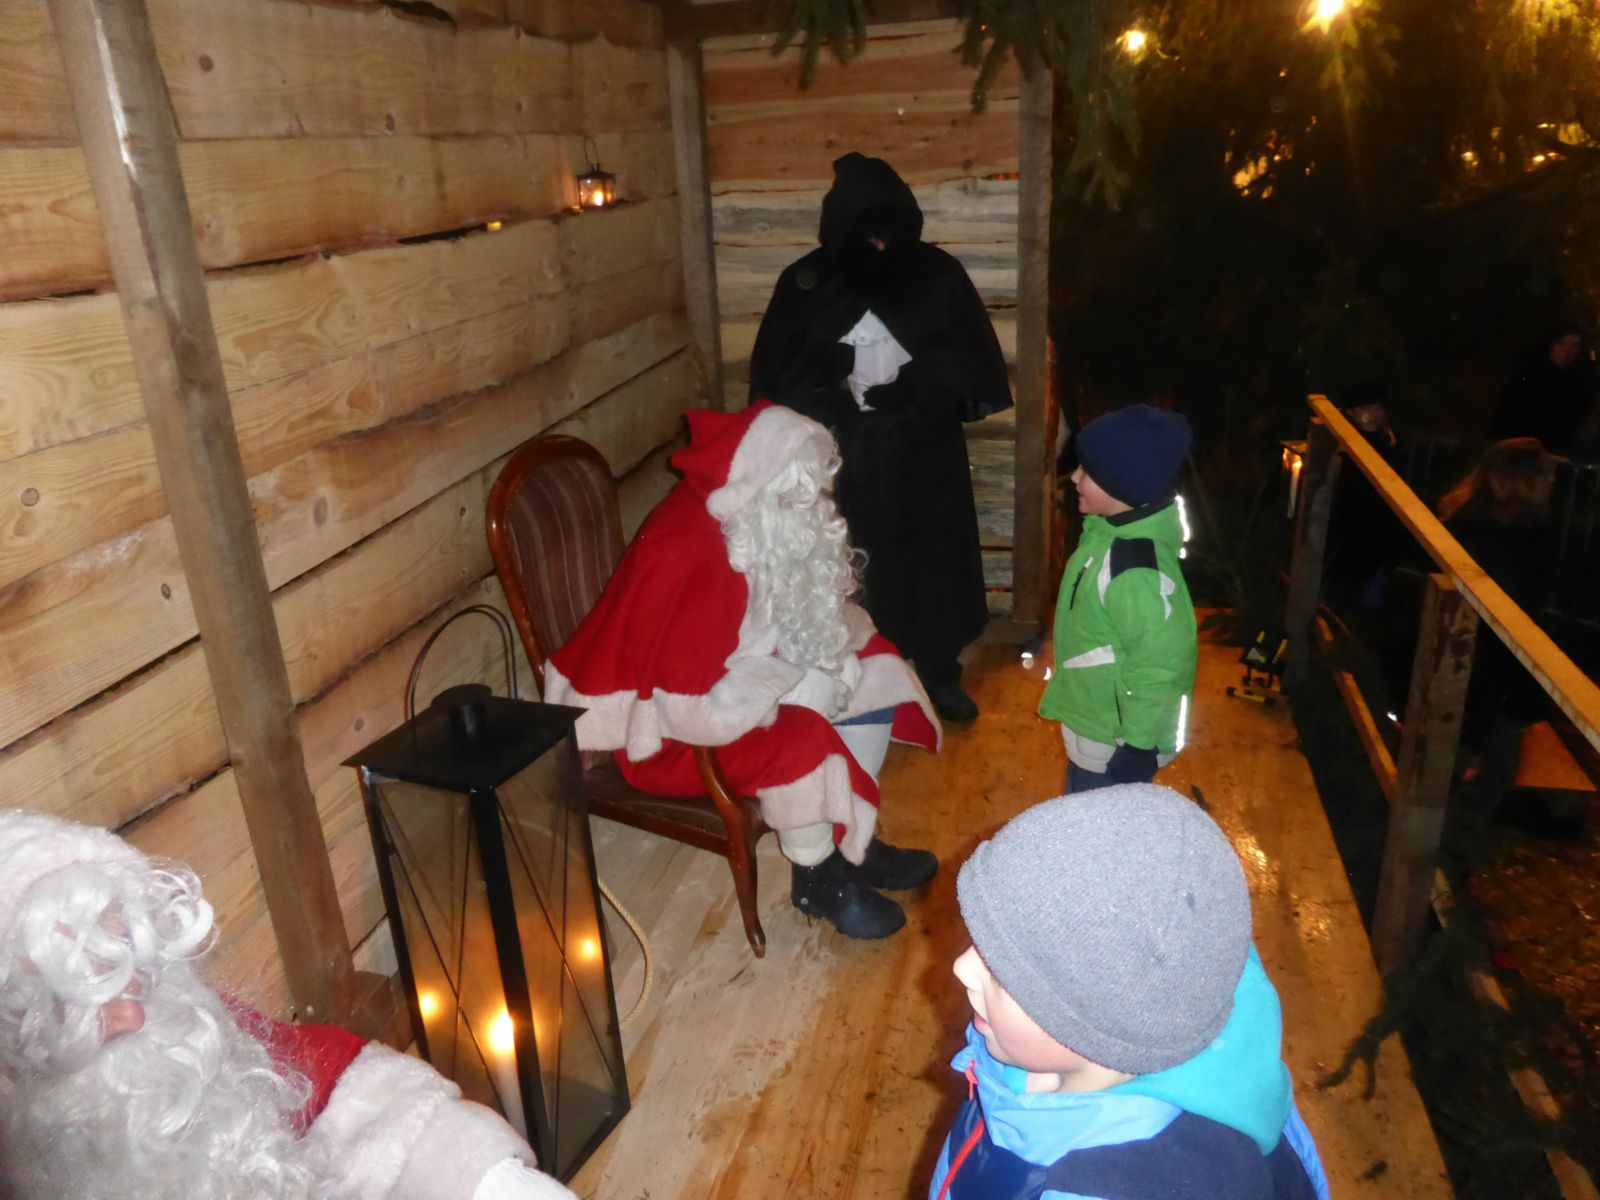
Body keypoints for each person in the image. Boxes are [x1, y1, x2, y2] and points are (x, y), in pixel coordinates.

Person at [0, 808, 576, 1200]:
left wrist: (482, 1175)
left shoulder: (183, 1030)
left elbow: (331, 1076)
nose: (133, 1015)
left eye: (132, 969)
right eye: (70, 1009)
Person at [545, 401, 942, 940]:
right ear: (755, 486)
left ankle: (852, 836)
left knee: (874, 661)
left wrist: (824, 661)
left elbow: (776, 616)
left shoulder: (753, 527)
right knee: (801, 740)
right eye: (792, 494)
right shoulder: (690, 552)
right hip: (665, 738)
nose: (809, 504)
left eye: (812, 490)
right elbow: (694, 710)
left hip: (734, 678)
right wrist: (788, 684)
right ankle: (819, 878)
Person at [930, 785, 1332, 1200]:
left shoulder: (1101, 1189)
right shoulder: (1175, 1005)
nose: (962, 967)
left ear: (1098, 1026)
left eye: (1003, 973)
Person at [748, 152, 1012, 722]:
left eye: (887, 230)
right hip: (844, 453)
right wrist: (830, 385)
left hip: (924, 449)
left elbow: (965, 359)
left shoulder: (936, 275)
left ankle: (938, 672)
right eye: (864, 231)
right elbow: (779, 369)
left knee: (931, 563)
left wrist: (918, 388)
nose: (878, 244)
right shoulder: (808, 283)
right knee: (852, 566)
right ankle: (856, 680)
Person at [1040, 404, 1196, 792]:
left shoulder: (1135, 571)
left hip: (1115, 742)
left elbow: (1160, 666)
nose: (1074, 477)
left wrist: (1139, 746)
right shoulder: (1106, 532)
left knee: (1095, 822)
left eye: (1088, 472)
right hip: (1095, 719)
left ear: (1125, 487)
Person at [1438, 438, 1560, 821]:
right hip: (1492, 657)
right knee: (1491, 751)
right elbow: (1513, 597)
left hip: (1483, 655)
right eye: (1544, 473)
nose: (1552, 481)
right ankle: (1463, 826)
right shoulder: (1506, 533)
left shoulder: (1478, 521)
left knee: (1482, 745)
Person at [1489, 323, 1599, 458]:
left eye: (1574, 346)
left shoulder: (1581, 381)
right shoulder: (1530, 374)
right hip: (1521, 446)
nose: (1567, 350)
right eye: (1561, 344)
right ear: (1551, 344)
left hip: (1558, 450)